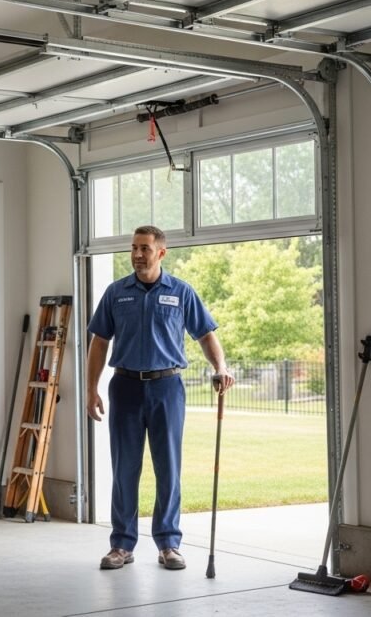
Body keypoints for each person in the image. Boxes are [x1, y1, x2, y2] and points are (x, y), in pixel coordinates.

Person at [87, 225, 235, 571]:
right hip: (124, 387)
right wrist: (92, 388)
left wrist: (221, 366)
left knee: (168, 467)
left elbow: (206, 334)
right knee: (125, 468)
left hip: (167, 388)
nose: (138, 255)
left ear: (161, 253)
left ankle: (169, 543)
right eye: (134, 248)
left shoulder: (181, 292)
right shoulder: (115, 292)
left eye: (145, 249)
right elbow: (99, 342)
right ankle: (121, 545)